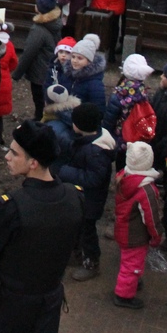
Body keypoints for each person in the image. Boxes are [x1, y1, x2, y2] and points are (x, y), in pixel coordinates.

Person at [0, 119, 84, 333]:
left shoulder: (11, 206)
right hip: (50, 299)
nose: (7, 157)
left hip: (13, 302)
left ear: (33, 162)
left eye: (14, 153)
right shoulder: (74, 197)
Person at [59, 102, 116, 282]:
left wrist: (65, 171)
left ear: (79, 125)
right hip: (82, 198)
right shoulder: (91, 141)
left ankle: (91, 262)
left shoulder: (95, 151)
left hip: (90, 201)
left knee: (87, 232)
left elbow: (93, 179)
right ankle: (76, 253)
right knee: (77, 227)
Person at [112, 140, 163, 309]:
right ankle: (123, 295)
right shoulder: (146, 190)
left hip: (123, 228)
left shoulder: (123, 177)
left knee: (128, 260)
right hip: (135, 235)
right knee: (131, 265)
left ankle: (131, 282)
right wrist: (157, 236)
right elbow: (151, 218)